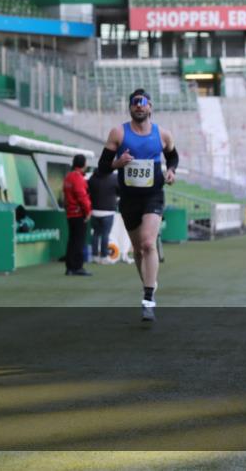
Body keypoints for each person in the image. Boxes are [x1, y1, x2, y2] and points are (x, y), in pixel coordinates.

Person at [97, 89, 178, 322]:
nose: (139, 107)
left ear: (150, 107)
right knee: (138, 250)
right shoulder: (118, 133)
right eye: (135, 104)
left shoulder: (162, 134)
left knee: (147, 242)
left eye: (143, 104)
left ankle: (148, 297)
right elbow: (102, 167)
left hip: (153, 194)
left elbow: (173, 157)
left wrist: (171, 171)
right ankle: (148, 285)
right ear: (130, 107)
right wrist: (117, 162)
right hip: (129, 197)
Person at [63, 154, 92, 276]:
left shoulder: (68, 177)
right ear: (83, 164)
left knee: (72, 240)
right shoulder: (78, 178)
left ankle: (70, 267)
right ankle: (77, 267)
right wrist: (88, 211)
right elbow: (82, 197)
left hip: (70, 213)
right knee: (79, 241)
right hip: (79, 213)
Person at [87, 170, 119, 264]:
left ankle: (94, 256)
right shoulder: (114, 178)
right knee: (105, 234)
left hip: (94, 211)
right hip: (108, 211)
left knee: (96, 234)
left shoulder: (92, 178)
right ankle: (104, 257)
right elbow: (119, 191)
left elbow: (88, 190)